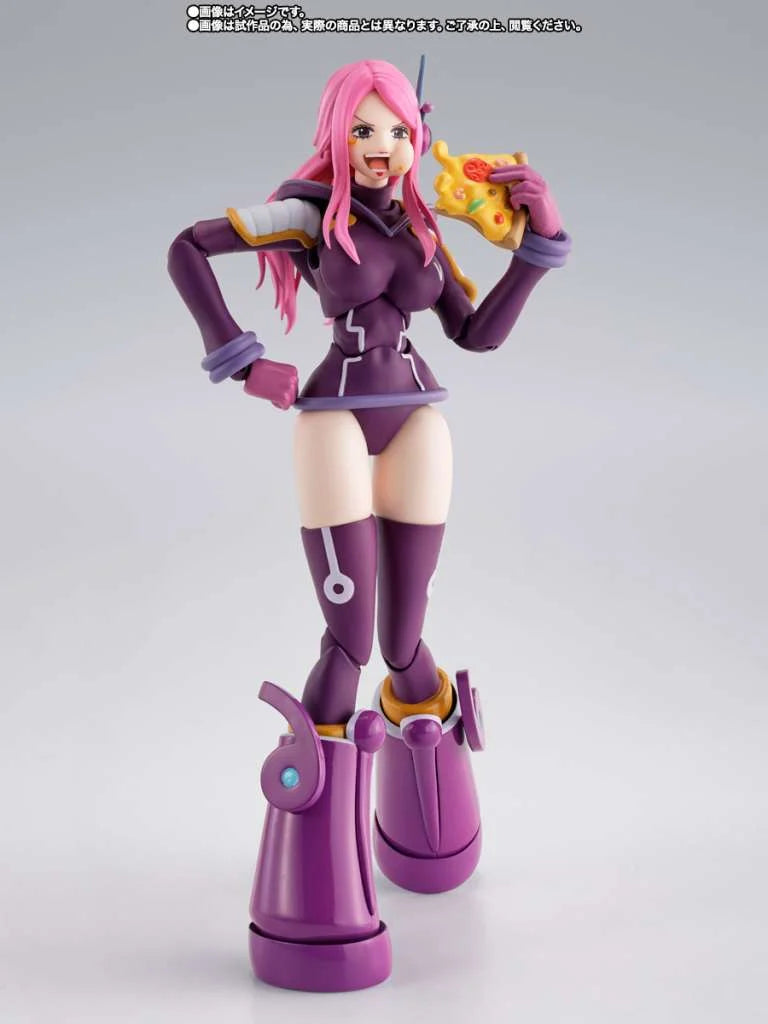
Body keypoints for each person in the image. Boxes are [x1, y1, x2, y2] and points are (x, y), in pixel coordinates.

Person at [168, 58, 570, 993]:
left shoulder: (425, 225)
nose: (382, 148)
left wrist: (541, 246)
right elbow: (188, 246)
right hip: (333, 421)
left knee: (403, 637)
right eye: (364, 131)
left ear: (417, 137)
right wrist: (240, 359)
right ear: (337, 134)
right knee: (347, 641)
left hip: (417, 417)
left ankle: (427, 828)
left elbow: (477, 334)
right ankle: (311, 892)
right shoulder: (310, 214)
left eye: (398, 132)